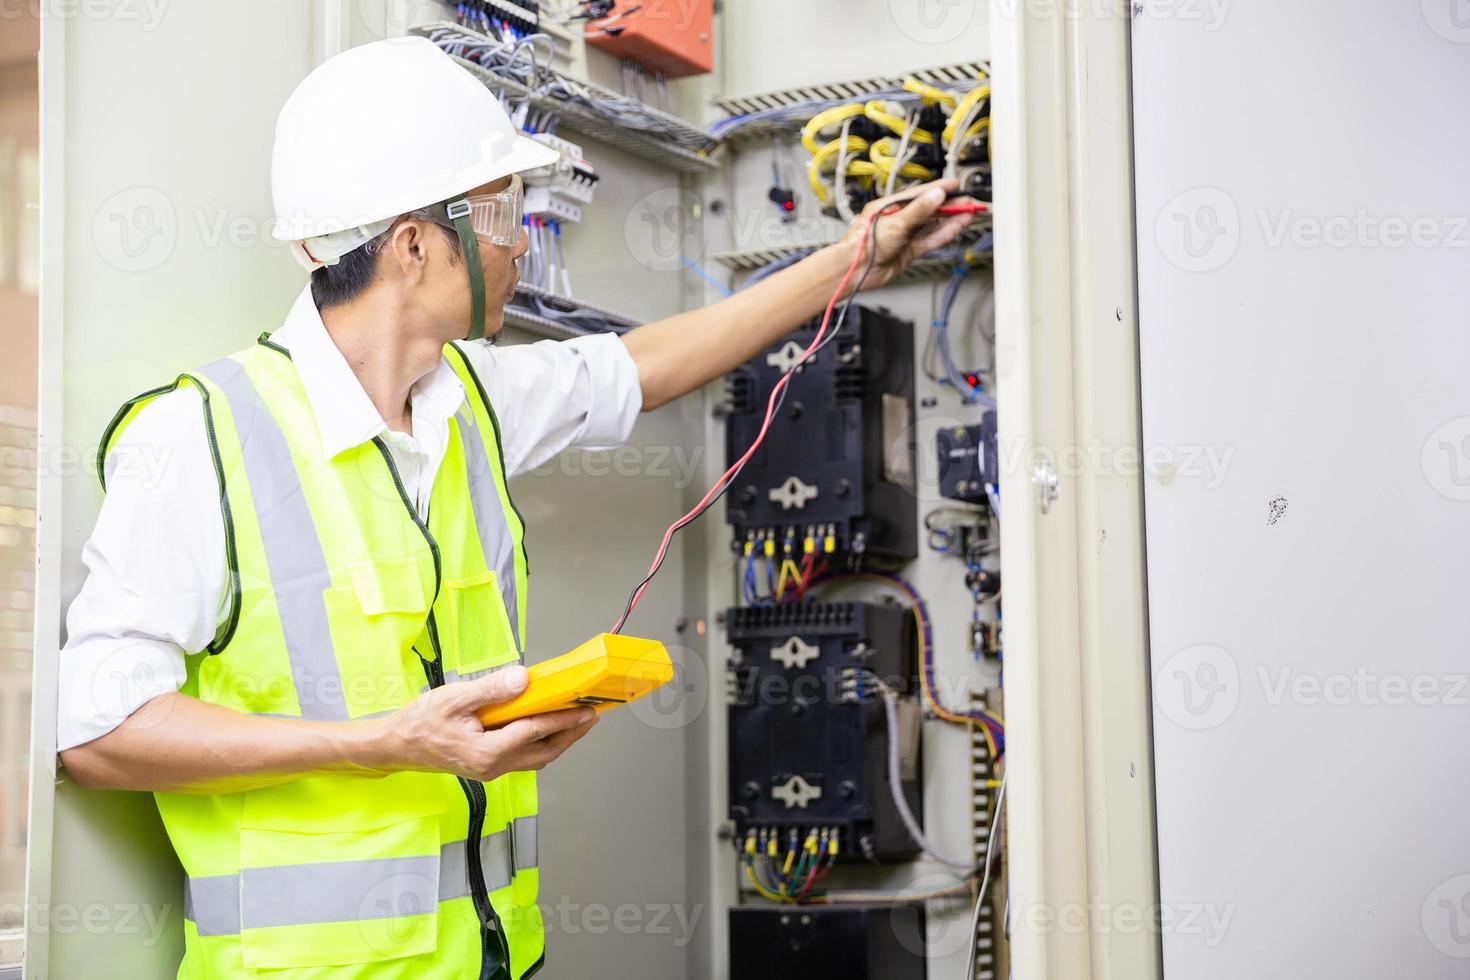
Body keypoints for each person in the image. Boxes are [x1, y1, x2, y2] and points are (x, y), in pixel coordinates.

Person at [55, 35, 976, 979]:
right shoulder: (198, 440)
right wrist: (385, 744)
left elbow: (645, 366)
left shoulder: (472, 403)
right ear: (414, 244)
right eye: (502, 210)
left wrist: (858, 257)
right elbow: (96, 732)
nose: (521, 238)